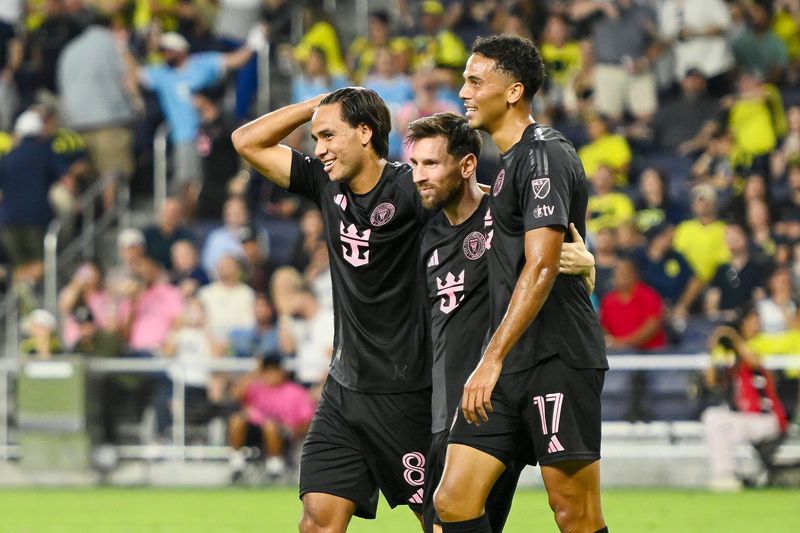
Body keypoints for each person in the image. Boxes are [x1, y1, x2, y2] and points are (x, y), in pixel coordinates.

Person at [232, 87, 432, 530]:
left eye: (328, 136)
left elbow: (481, 207)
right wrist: (315, 106)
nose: (319, 149)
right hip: (344, 390)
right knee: (317, 520)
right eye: (315, 138)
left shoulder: (411, 187)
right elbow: (246, 141)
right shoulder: (325, 181)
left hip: (407, 392)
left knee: (441, 520)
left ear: (364, 132)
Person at [433, 35, 608, 533]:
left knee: (573, 512)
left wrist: (489, 358)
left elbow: (542, 265)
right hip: (509, 359)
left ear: (513, 91)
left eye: (474, 81)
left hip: (556, 356)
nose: (463, 92)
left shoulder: (545, 154)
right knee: (453, 501)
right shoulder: (508, 165)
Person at [405, 112, 596, 533]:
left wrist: (586, 264)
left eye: (430, 163)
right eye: (415, 163)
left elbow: (549, 259)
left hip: (506, 386)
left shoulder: (507, 213)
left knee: (571, 508)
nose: (418, 175)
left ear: (467, 165)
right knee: (448, 514)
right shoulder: (423, 235)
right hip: (450, 407)